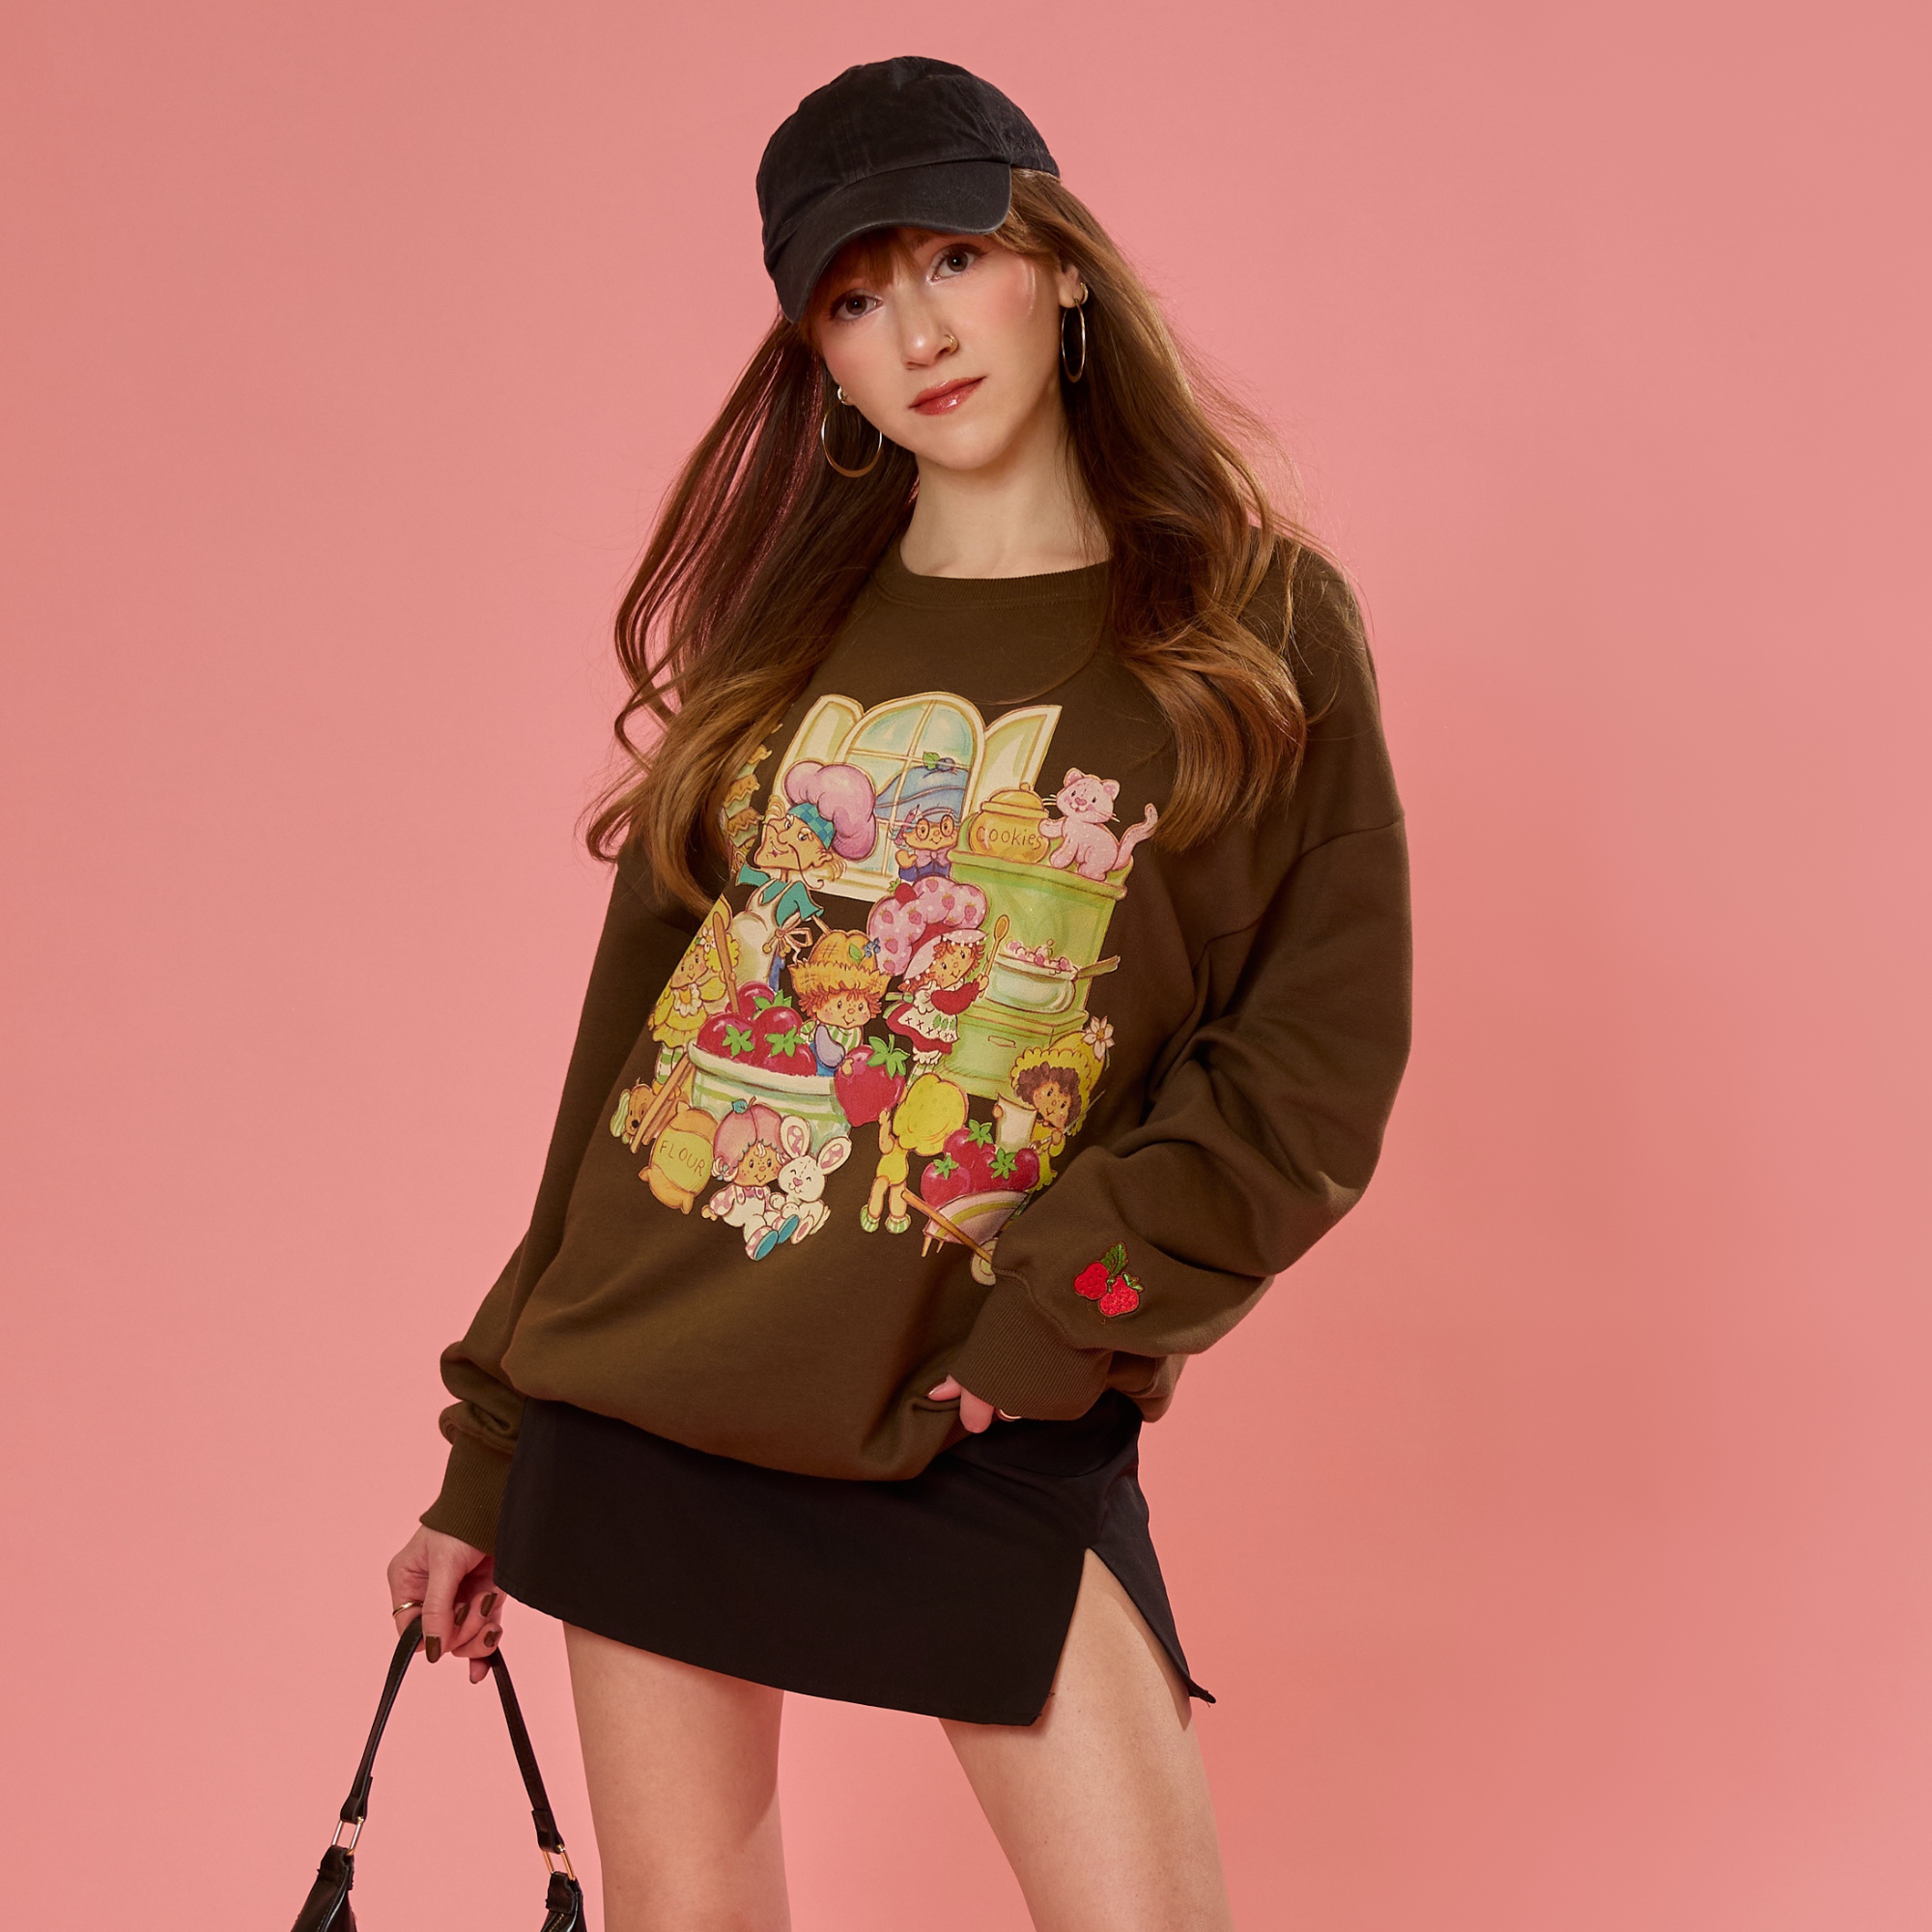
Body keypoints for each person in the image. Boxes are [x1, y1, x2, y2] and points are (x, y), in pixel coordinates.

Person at [385, 54, 1410, 1932]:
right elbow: (627, 1072)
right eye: (854, 299)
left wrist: (1069, 1306)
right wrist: (488, 1448)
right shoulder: (782, 648)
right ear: (820, 361)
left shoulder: (1250, 629)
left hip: (967, 1397)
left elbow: (1316, 1051)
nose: (919, 331)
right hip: (651, 1393)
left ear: (1062, 267)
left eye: (954, 256)